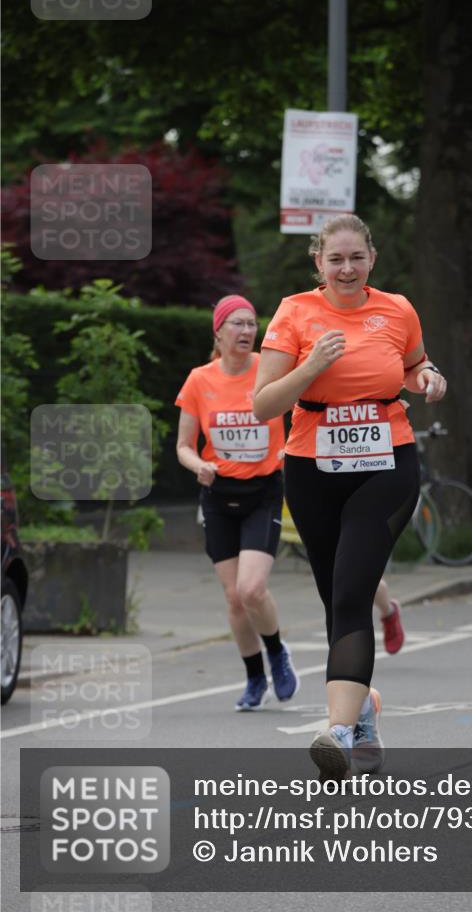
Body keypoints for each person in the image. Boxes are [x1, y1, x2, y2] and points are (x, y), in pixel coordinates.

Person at [253, 214, 446, 779]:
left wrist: (428, 377)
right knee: (336, 598)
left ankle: (336, 731)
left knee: (352, 591)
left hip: (387, 464)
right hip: (312, 467)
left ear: (371, 259)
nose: (346, 268)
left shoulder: (397, 309)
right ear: (318, 262)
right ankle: (363, 712)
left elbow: (413, 364)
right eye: (335, 259)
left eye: (356, 257)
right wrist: (312, 365)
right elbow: (264, 405)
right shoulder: (294, 312)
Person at [175, 295, 299, 712]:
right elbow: (184, 445)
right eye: (237, 324)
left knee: (252, 589)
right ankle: (254, 678)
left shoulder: (271, 369)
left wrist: (292, 448)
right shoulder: (199, 380)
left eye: (251, 324)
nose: (247, 331)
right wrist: (199, 466)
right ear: (218, 332)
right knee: (234, 598)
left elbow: (306, 407)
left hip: (263, 492)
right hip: (218, 496)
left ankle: (277, 654)